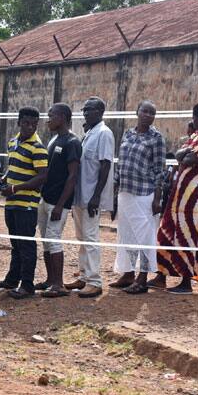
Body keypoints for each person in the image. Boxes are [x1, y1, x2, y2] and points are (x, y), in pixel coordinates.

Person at [154, 101, 198, 293]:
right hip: (181, 187)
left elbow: (190, 159)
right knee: (168, 227)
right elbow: (179, 155)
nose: (193, 120)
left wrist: (185, 154)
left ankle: (186, 282)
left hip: (196, 189)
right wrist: (184, 154)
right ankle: (161, 275)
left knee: (188, 231)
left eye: (194, 117)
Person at [0, 107, 48, 299]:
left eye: (34, 124)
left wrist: (15, 188)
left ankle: (28, 284)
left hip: (27, 203)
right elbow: (12, 167)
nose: (30, 127)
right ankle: (12, 279)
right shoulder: (13, 142)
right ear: (19, 122)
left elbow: (42, 177)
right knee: (15, 243)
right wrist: (4, 178)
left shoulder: (38, 148)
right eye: (26, 123)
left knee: (26, 244)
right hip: (12, 202)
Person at [111, 101, 166, 295]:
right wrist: (115, 187)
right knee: (126, 234)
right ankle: (127, 274)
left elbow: (160, 170)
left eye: (152, 112)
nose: (148, 115)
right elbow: (120, 163)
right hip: (125, 191)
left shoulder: (156, 138)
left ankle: (142, 278)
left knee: (145, 236)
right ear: (137, 112)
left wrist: (157, 198)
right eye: (145, 111)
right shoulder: (128, 133)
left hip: (144, 193)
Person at [64, 97, 114, 298]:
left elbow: (105, 165)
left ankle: (94, 281)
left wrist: (96, 196)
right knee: (81, 238)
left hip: (91, 197)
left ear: (101, 111)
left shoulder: (104, 133)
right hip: (80, 195)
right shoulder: (88, 134)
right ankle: (83, 276)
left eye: (90, 110)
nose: (85, 113)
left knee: (91, 238)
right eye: (84, 110)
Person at [36, 103, 82, 298]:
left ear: (62, 117)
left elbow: (72, 176)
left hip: (58, 202)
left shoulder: (72, 142)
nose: (48, 120)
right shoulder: (54, 139)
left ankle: (59, 284)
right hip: (46, 198)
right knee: (46, 240)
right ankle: (50, 279)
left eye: (51, 116)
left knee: (54, 239)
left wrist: (61, 204)